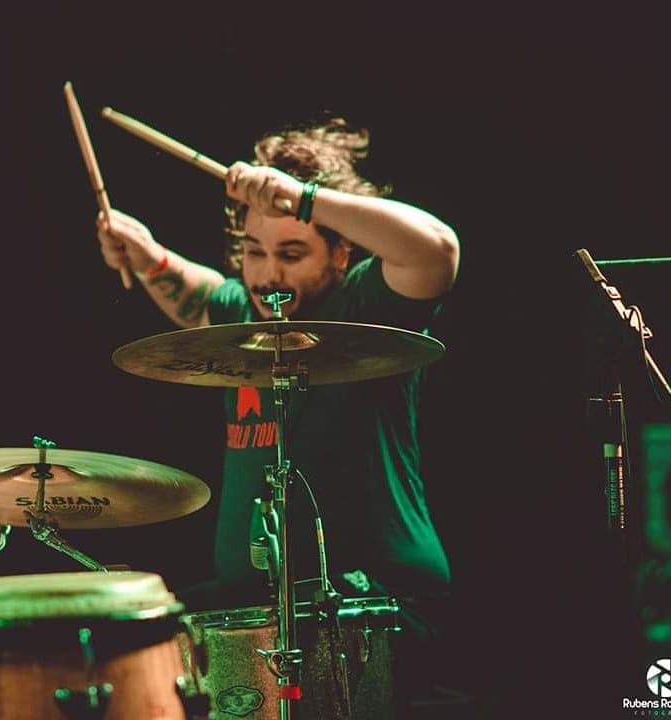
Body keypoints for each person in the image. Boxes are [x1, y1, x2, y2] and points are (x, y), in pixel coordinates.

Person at [96, 116, 461, 717]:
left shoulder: (366, 304)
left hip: (376, 606)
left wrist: (304, 198)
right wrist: (147, 255)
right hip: (252, 609)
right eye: (254, 252)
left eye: (292, 253)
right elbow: (195, 292)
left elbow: (437, 251)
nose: (269, 275)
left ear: (341, 250)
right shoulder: (244, 315)